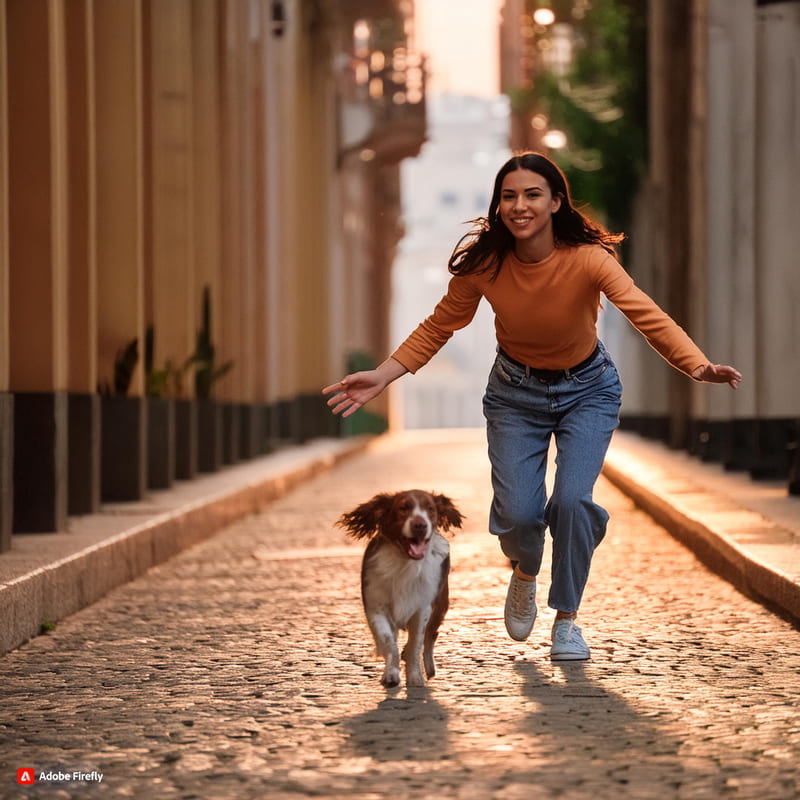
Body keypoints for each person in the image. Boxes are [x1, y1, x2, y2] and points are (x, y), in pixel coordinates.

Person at [323, 152, 741, 661]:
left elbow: (643, 311)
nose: (519, 205)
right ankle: (524, 570)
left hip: (588, 389)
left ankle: (567, 618)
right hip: (514, 395)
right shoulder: (486, 265)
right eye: (509, 196)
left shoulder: (589, 259)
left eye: (532, 195)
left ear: (556, 202)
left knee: (571, 502)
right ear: (499, 206)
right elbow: (438, 327)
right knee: (521, 514)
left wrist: (696, 364)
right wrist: (383, 376)